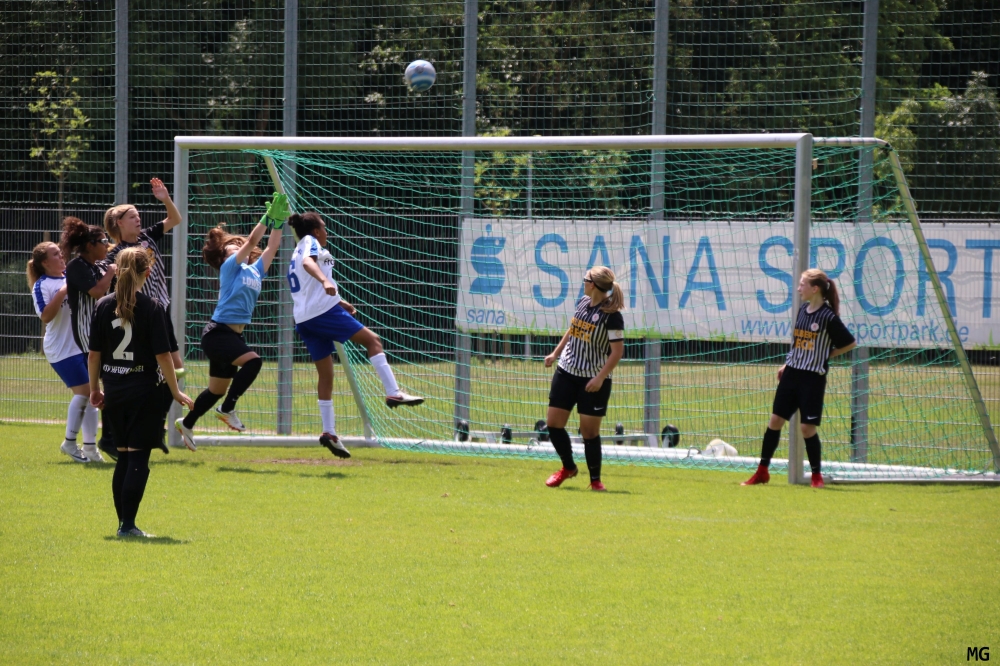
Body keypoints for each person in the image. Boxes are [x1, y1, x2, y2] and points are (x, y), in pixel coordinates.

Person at [286, 211, 424, 459]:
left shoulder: (296, 249)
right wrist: (325, 282)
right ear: (315, 231)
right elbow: (309, 265)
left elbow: (308, 286)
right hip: (322, 313)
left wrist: (339, 301)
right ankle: (393, 392)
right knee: (373, 341)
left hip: (305, 319)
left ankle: (329, 432)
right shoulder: (309, 242)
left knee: (326, 375)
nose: (326, 232)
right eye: (324, 227)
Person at [88, 247, 193, 538]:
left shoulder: (102, 305)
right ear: (147, 272)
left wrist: (95, 389)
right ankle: (128, 526)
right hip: (144, 393)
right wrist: (176, 391)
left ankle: (124, 524)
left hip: (114, 393)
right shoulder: (152, 307)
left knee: (123, 458)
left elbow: (94, 355)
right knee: (137, 460)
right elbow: (163, 356)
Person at [174, 194, 288, 449]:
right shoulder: (228, 268)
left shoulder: (255, 270)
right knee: (254, 361)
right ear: (225, 257)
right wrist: (266, 218)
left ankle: (187, 423)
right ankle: (227, 409)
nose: (238, 250)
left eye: (238, 248)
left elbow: (271, 248)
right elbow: (252, 241)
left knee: (216, 390)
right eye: (232, 249)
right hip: (218, 334)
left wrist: (279, 223)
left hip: (232, 336)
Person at [742, 268, 856, 489]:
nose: (798, 288)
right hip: (792, 373)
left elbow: (850, 343)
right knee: (775, 421)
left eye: (802, 284)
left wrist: (826, 354)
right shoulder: (803, 310)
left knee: (806, 428)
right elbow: (797, 342)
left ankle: (816, 476)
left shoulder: (828, 316)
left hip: (812, 378)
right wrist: (787, 363)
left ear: (815, 289)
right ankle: (762, 471)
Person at [542, 266, 625, 492]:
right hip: (567, 371)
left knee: (589, 432)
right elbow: (573, 330)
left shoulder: (612, 316)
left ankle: (595, 480)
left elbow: (617, 352)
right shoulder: (582, 302)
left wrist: (600, 378)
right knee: (553, 424)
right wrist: (556, 353)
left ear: (594, 285)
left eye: (585, 279)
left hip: (593, 380)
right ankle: (568, 467)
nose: (583, 282)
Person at [27, 241, 100, 464]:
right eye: (55, 254)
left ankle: (90, 447)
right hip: (61, 349)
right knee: (85, 393)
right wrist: (63, 291)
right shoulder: (42, 285)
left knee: (93, 395)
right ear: (44, 262)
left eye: (60, 253)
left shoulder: (72, 274)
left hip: (83, 345)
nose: (61, 256)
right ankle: (69, 443)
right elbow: (46, 316)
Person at [104, 177, 185, 375]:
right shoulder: (115, 254)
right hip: (138, 311)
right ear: (120, 223)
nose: (138, 219)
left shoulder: (147, 236)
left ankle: (169, 390)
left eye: (138, 216)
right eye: (132, 217)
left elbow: (175, 219)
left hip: (160, 305)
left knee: (176, 364)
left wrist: (166, 199)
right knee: (150, 359)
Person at [61, 217, 117, 461]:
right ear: (90, 245)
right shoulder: (77, 266)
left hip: (102, 332)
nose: (107, 245)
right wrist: (112, 272)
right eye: (103, 241)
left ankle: (95, 444)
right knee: (103, 386)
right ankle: (105, 440)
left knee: (106, 386)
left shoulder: (97, 265)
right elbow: (96, 291)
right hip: (87, 334)